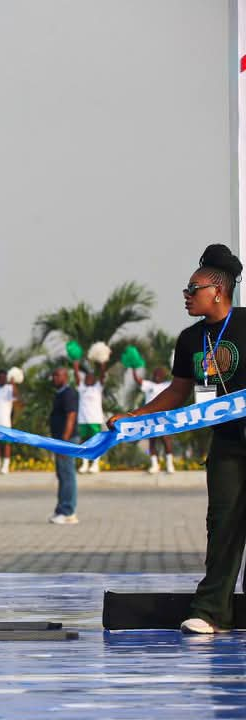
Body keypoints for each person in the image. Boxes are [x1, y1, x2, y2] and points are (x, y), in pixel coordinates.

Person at [108, 244, 245, 634]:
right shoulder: (189, 340)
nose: (186, 296)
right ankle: (212, 612)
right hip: (227, 444)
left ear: (217, 290)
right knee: (222, 524)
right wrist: (133, 418)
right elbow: (177, 393)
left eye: (193, 288)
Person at [48, 366, 80, 525]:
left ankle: (69, 511)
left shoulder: (69, 393)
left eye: (57, 375)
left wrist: (64, 441)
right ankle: (61, 509)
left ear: (65, 377)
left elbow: (71, 416)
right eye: (53, 375)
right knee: (61, 474)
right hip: (58, 439)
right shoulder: (59, 394)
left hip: (66, 440)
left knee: (67, 474)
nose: (54, 378)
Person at [131, 366, 175, 474]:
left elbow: (178, 383)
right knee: (152, 441)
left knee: (166, 440)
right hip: (150, 418)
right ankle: (154, 465)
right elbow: (138, 380)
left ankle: (169, 464)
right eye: (155, 374)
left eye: (159, 374)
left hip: (163, 417)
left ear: (163, 376)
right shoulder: (148, 385)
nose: (157, 376)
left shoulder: (167, 385)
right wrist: (133, 367)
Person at [73, 359, 107, 473]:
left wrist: (102, 366)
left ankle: (95, 464)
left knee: (96, 442)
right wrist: (76, 366)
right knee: (84, 442)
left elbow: (102, 377)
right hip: (83, 420)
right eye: (86, 378)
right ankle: (85, 464)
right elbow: (77, 379)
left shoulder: (97, 388)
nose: (87, 379)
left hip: (95, 420)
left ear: (94, 380)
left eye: (90, 378)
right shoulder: (82, 388)